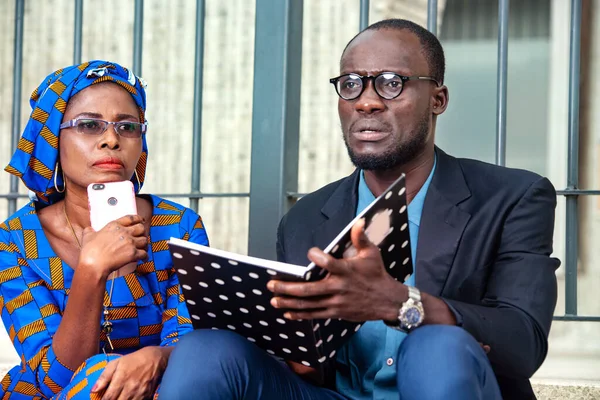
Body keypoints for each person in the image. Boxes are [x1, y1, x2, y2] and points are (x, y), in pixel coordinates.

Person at [162, 19, 559, 400]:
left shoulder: (512, 197)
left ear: (438, 99)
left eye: (391, 83)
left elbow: (523, 344)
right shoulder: (305, 219)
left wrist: (400, 303)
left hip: (445, 384)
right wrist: (283, 336)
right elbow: (309, 369)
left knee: (436, 345)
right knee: (204, 349)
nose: (366, 101)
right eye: (351, 85)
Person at [0, 60, 209, 399]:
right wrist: (91, 268)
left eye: (127, 127)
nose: (111, 139)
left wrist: (157, 358)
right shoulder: (13, 240)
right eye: (89, 125)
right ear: (53, 137)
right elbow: (52, 380)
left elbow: (190, 343)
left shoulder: (179, 227)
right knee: (99, 374)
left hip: (162, 388)